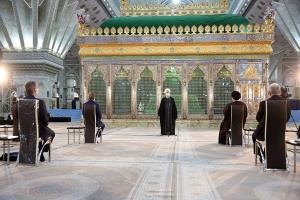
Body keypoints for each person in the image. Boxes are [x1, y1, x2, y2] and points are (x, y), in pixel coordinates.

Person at [252, 83, 291, 162]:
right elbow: (286, 118)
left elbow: (258, 118)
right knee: (277, 138)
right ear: (280, 92)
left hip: (264, 133)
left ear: (269, 92)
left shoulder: (264, 103)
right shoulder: (287, 103)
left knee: (254, 135)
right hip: (280, 132)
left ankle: (261, 155)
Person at [24, 81, 55, 162]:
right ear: (34, 89)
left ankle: (39, 152)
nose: (37, 90)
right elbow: (45, 119)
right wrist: (46, 122)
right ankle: (41, 152)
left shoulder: (20, 102)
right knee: (51, 133)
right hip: (37, 131)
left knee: (41, 131)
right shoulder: (40, 102)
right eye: (36, 88)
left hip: (24, 131)